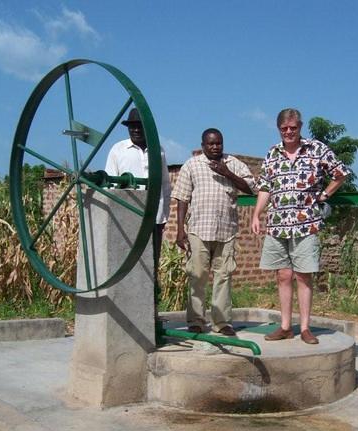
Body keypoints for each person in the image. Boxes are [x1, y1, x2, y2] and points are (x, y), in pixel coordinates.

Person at [252, 108, 351, 344]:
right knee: (283, 275)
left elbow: (340, 173)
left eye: (293, 128)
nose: (289, 132)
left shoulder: (316, 149)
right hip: (277, 224)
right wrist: (256, 214)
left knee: (304, 276)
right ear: (279, 129)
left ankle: (305, 328)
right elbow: (265, 187)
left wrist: (325, 194)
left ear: (300, 127)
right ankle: (285, 326)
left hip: (306, 223)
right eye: (284, 128)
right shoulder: (272, 154)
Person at [172, 128, 255, 336]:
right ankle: (196, 320)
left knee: (224, 276)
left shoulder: (234, 163)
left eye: (218, 143)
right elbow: (182, 198)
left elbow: (251, 188)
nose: (215, 147)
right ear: (203, 145)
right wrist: (180, 229)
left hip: (226, 230)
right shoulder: (192, 165)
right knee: (197, 275)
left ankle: (222, 322)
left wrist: (227, 173)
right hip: (199, 229)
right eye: (211, 144)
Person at [105, 108, 171, 269]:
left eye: (140, 126)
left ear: (147, 128)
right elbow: (110, 184)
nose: (135, 130)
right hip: (127, 214)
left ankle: (153, 293)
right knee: (125, 261)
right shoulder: (118, 150)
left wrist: (163, 216)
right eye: (132, 126)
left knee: (152, 262)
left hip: (153, 216)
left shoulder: (158, 151)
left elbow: (165, 184)